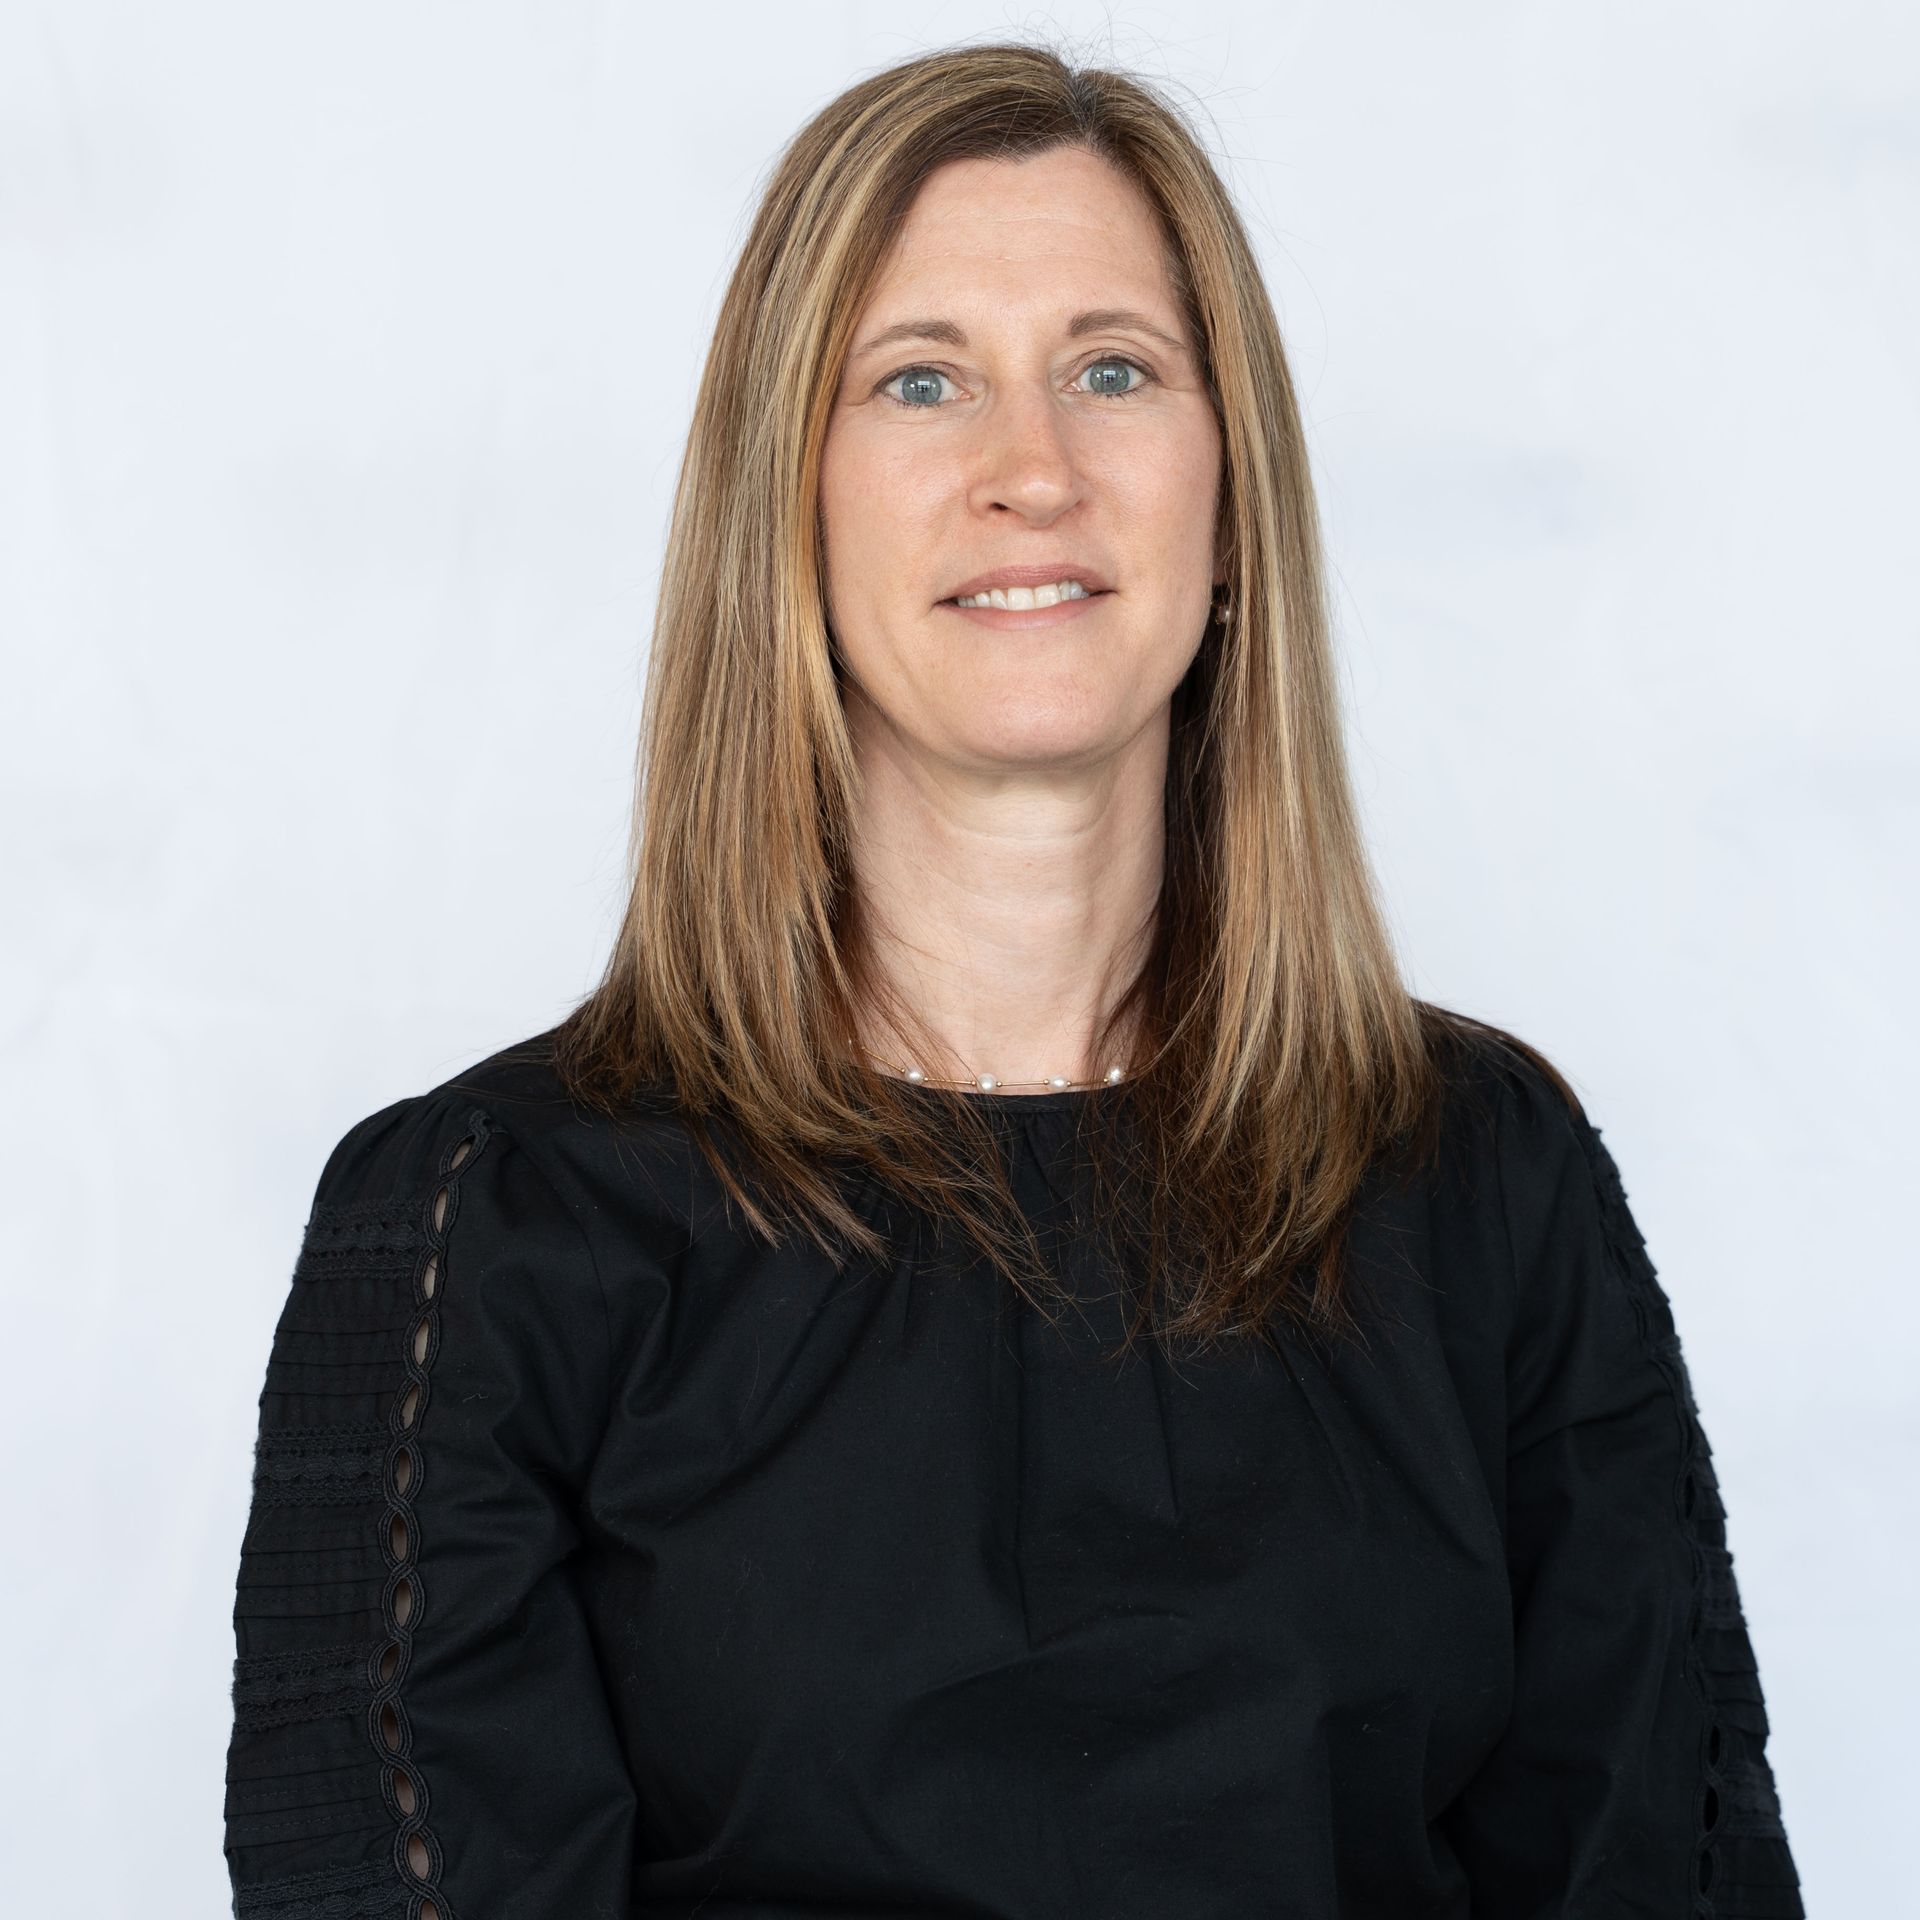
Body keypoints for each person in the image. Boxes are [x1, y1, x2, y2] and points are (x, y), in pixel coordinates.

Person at [221, 41, 1804, 1920]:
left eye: (1112, 369)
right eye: (922, 380)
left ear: (1232, 504)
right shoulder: (488, 1225)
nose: (1033, 471)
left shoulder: (1489, 1183)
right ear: (787, 512)